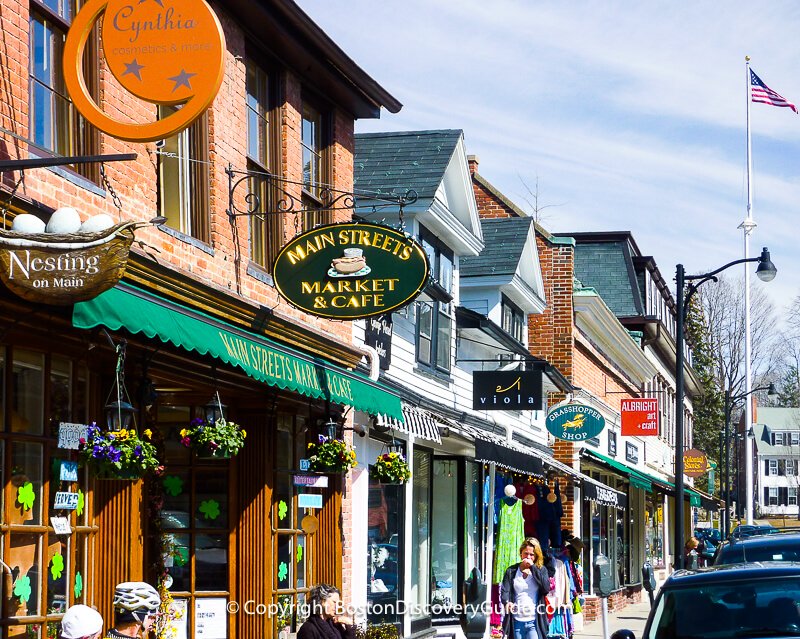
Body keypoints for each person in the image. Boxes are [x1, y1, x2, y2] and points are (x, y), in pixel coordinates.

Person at [500, 538, 551, 639]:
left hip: (534, 621)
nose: (528, 557)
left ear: (536, 555)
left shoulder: (541, 570)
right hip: (516, 620)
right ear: (521, 553)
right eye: (525, 553)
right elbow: (505, 591)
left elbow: (546, 588)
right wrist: (506, 602)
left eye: (532, 555)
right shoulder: (512, 571)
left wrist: (533, 568)